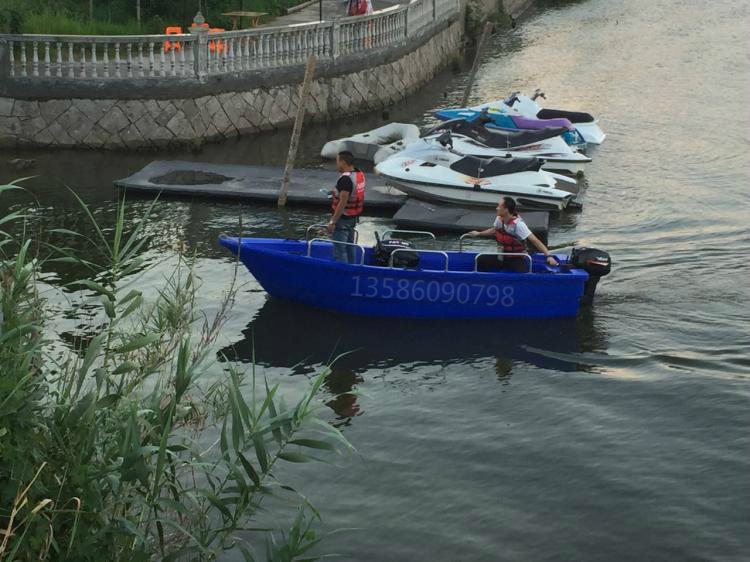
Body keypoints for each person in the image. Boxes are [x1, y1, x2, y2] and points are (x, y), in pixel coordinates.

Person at [466, 196, 559, 272]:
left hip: (516, 258)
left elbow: (535, 240)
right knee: (480, 260)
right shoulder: (499, 219)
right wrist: (478, 233)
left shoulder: (519, 225)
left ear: (506, 209)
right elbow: (494, 230)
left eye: (499, 206)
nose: (496, 208)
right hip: (501, 255)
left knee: (523, 274)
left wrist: (549, 256)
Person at [327, 151, 365, 263]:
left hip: (342, 219)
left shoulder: (345, 179)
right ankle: (352, 268)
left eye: (337, 161)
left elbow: (342, 203)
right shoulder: (359, 174)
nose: (337, 164)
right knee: (350, 247)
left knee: (340, 250)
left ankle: (342, 273)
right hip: (353, 218)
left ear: (343, 162)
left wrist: (332, 222)